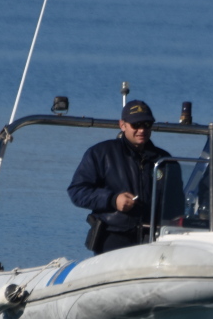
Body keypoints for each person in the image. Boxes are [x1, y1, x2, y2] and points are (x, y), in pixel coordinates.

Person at [68, 100, 171, 254]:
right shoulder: (101, 153)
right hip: (113, 235)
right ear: (122, 125)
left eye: (147, 124)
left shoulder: (165, 160)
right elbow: (77, 191)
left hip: (154, 236)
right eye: (136, 125)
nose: (142, 130)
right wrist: (113, 200)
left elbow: (175, 201)